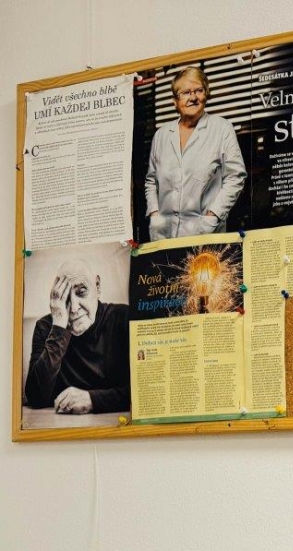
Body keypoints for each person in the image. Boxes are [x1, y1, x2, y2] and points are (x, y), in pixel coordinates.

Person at [144, 67, 247, 241]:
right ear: (175, 101)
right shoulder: (161, 135)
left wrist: (213, 215)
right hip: (163, 235)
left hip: (205, 233)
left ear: (206, 94)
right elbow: (151, 181)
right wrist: (154, 214)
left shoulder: (221, 128)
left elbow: (235, 176)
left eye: (198, 90)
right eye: (185, 92)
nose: (193, 97)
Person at [24, 260, 131, 414]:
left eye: (81, 292)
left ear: (97, 287)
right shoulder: (46, 327)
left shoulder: (125, 319)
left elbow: (147, 390)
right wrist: (59, 328)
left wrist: (93, 400)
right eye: (65, 298)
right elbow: (36, 397)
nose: (73, 308)